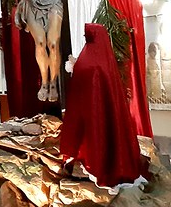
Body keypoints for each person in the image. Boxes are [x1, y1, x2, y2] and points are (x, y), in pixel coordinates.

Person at [61, 23, 145, 188]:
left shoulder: (89, 58)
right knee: (103, 135)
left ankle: (97, 166)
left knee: (96, 136)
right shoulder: (102, 58)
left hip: (89, 112)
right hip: (94, 111)